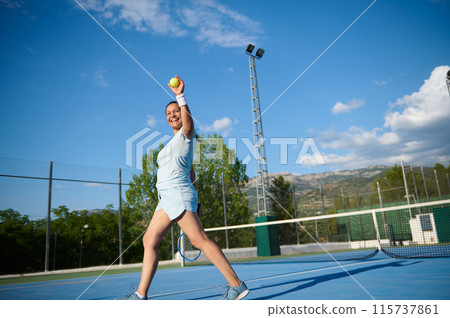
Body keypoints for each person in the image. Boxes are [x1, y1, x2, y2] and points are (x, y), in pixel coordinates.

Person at [117, 76, 249, 300]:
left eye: (175, 111)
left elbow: (188, 125)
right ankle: (140, 296)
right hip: (166, 199)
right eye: (168, 114)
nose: (172, 115)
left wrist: (180, 95)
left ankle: (236, 285)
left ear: (183, 112)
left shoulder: (186, 136)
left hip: (177, 194)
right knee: (149, 240)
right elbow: (192, 175)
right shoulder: (174, 143)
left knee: (199, 240)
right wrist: (196, 204)